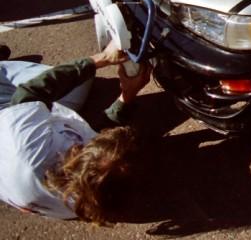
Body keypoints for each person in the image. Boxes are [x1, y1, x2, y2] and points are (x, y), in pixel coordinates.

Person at [0, 41, 150, 223]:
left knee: (79, 74)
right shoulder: (86, 199)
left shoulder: (27, 144)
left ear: (78, 155)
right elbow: (97, 136)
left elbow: (31, 92)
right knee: (81, 82)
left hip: (5, 112)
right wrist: (127, 95)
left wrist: (103, 58)